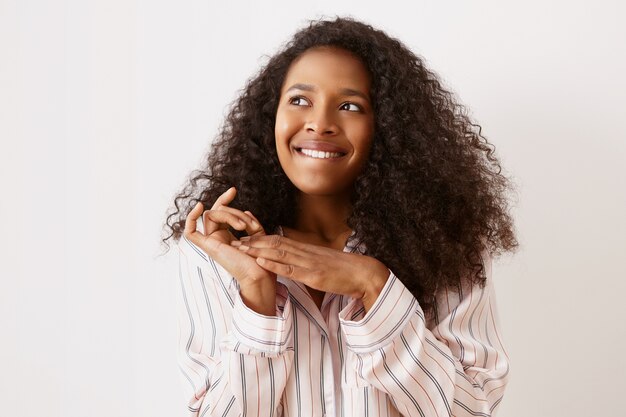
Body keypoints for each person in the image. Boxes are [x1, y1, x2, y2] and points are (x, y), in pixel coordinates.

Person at [162, 15, 518, 417]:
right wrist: (257, 297)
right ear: (270, 117)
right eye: (299, 100)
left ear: (385, 127)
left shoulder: (446, 244)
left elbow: (470, 409)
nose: (320, 123)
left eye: (350, 106)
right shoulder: (217, 253)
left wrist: (372, 284)